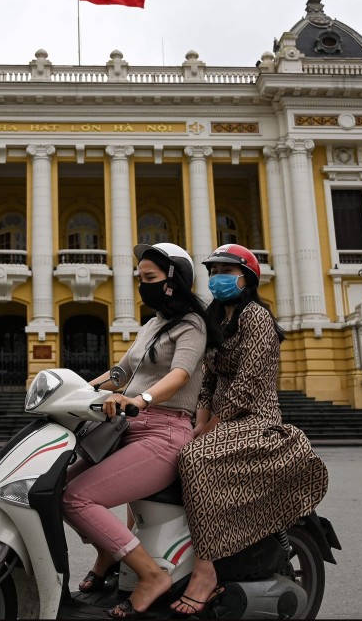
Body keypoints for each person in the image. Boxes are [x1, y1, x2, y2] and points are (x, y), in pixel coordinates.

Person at [62, 242, 219, 618]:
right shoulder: (152, 325)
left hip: (164, 433)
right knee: (57, 487)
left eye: (149, 278)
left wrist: (143, 399)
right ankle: (107, 549)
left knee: (77, 498)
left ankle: (151, 576)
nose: (141, 284)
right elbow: (122, 373)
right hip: (128, 428)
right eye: (140, 277)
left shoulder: (192, 325)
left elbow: (180, 373)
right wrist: (80, 392)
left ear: (172, 282)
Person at [171, 244, 330, 616]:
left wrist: (210, 428)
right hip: (220, 417)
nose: (217, 278)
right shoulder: (216, 321)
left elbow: (248, 381)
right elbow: (208, 380)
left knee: (197, 459)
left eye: (227, 271)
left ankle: (207, 569)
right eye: (213, 271)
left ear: (247, 277)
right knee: (170, 450)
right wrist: (197, 423)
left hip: (256, 418)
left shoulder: (256, 316)